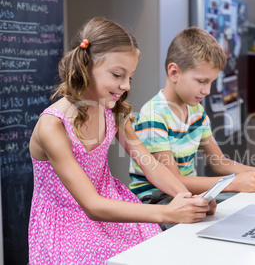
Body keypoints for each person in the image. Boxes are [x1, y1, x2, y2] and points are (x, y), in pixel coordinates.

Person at [28, 17, 214, 264]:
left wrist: (188, 197)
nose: (125, 86)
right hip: (69, 222)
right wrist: (168, 212)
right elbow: (92, 206)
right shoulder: (53, 126)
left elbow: (150, 165)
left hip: (113, 207)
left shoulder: (113, 111)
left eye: (130, 77)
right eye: (117, 75)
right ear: (85, 66)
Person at [129, 26, 255, 209]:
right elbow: (173, 181)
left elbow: (219, 163)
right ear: (174, 73)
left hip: (185, 195)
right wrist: (233, 183)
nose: (207, 90)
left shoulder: (197, 112)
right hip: (156, 201)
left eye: (211, 82)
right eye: (202, 81)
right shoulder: (154, 115)